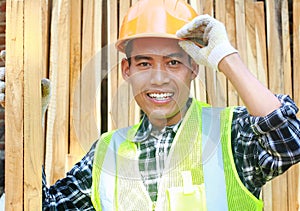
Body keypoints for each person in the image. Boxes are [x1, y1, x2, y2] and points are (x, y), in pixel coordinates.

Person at [1, 0, 297, 210]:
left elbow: (290, 142)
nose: (158, 79)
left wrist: (226, 58)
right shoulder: (107, 153)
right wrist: (29, 122)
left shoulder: (232, 134)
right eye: (144, 63)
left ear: (195, 68)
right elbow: (43, 206)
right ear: (126, 71)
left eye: (173, 63)